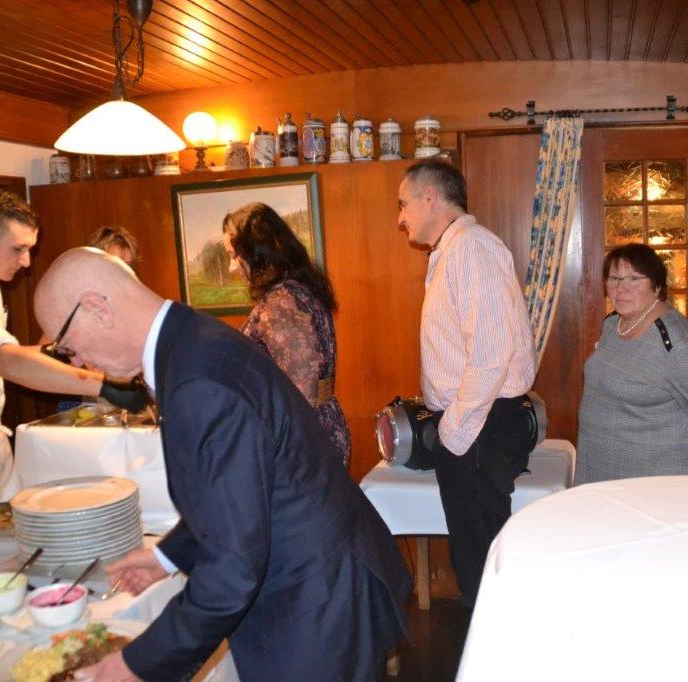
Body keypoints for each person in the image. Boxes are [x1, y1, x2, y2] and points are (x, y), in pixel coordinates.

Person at [32, 248, 411, 681]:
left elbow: (233, 567)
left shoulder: (197, 379)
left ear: (97, 307)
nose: (76, 361)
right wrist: (166, 557)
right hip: (323, 575)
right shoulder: (191, 338)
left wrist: (134, 664)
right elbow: (235, 495)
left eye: (66, 345)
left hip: (312, 599)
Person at [0, 190, 146, 528]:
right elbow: (6, 360)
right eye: (18, 249)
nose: (26, 261)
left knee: (11, 536)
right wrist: (104, 385)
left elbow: (17, 354)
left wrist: (72, 350)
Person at [397, 159, 537, 608]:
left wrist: (452, 431)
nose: (401, 218)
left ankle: (493, 645)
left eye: (404, 204)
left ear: (430, 197)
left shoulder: (471, 248)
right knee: (473, 552)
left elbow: (491, 354)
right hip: (475, 422)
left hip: (479, 424)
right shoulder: (453, 250)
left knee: (480, 557)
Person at [576, 243, 688, 484]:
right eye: (614, 278)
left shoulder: (679, 345)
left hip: (653, 482)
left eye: (634, 279)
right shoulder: (613, 324)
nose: (621, 288)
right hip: (600, 471)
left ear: (657, 285)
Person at [222, 203, 351, 467]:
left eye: (234, 256)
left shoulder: (281, 304)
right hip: (316, 431)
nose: (232, 268)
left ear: (256, 253)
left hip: (301, 442)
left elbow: (301, 393)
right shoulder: (298, 291)